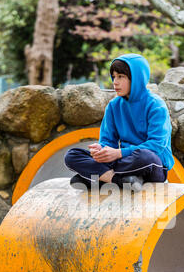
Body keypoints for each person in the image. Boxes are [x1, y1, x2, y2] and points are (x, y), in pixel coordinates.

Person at [64, 53, 174, 192]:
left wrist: (119, 153)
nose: (115, 82)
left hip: (151, 166)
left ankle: (96, 178)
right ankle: (118, 180)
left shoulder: (156, 105)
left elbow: (156, 146)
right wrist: (101, 150)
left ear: (136, 78)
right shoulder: (113, 106)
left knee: (145, 156)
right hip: (122, 162)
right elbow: (108, 141)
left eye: (121, 77)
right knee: (72, 155)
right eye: (114, 76)